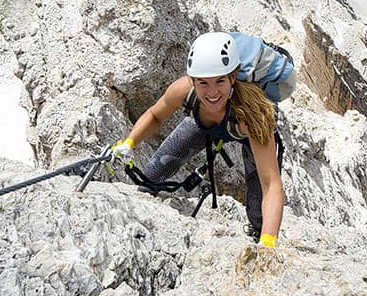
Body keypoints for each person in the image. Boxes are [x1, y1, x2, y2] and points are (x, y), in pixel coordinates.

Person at [112, 31, 286, 248]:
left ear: (233, 77)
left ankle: (258, 235)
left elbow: (271, 184)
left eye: (220, 81)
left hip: (245, 129)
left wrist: (268, 243)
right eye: (203, 83)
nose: (212, 92)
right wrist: (129, 143)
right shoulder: (184, 90)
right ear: (192, 81)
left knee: (258, 216)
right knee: (152, 174)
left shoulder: (253, 116)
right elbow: (156, 115)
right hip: (202, 121)